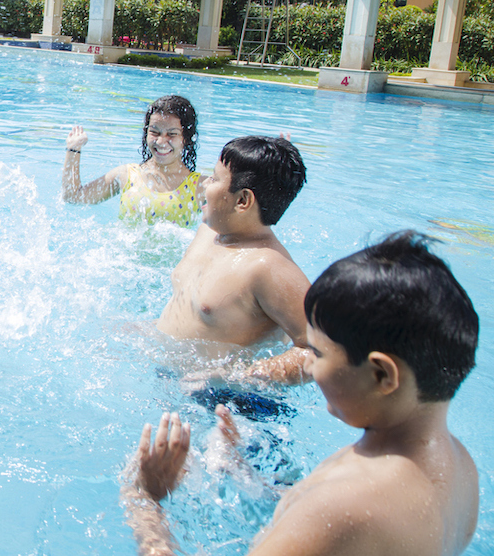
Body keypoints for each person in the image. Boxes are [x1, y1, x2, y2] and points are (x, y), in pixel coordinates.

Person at [124, 231, 479, 556]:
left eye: (319, 354)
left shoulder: (340, 505)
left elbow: (327, 522)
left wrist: (146, 501)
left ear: (382, 374)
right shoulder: (461, 469)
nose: (308, 368)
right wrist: (247, 476)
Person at [158, 135, 310, 385]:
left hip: (226, 401)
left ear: (242, 201)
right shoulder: (209, 232)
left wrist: (238, 377)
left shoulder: (268, 268)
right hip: (172, 377)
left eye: (216, 179)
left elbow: (322, 349)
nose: (206, 183)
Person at [63, 95, 203, 226]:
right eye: (155, 132)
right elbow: (74, 197)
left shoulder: (201, 187)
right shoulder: (126, 175)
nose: (161, 141)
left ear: (186, 138)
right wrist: (73, 150)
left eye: (171, 134)